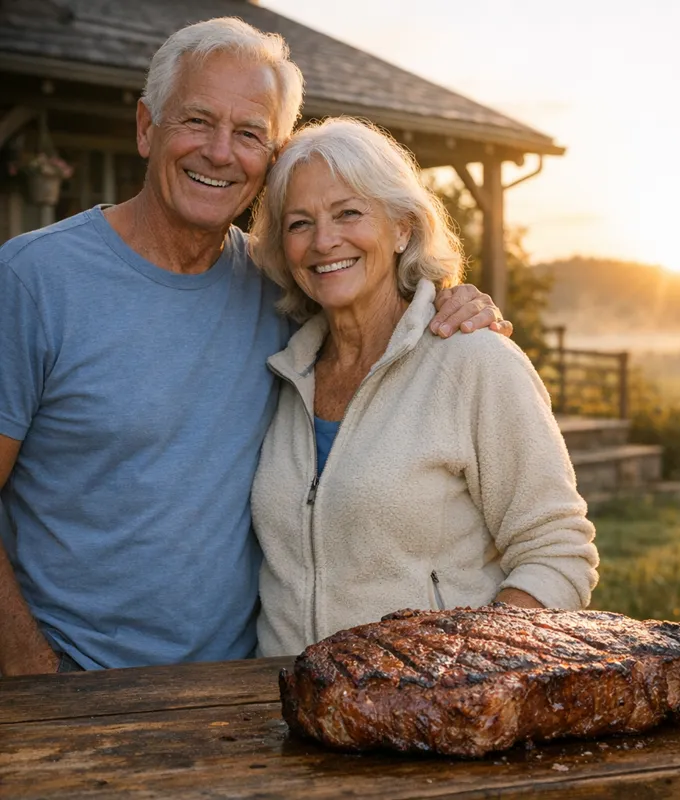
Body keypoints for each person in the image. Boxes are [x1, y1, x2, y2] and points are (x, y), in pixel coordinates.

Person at [0, 18, 510, 676]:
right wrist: (31, 675)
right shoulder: (32, 281)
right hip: (68, 688)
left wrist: (450, 301)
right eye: (197, 121)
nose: (219, 152)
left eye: (249, 134)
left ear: (271, 161)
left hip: (244, 694)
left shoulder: (280, 289)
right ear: (145, 127)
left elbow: (371, 294)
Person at [248, 118, 599, 657]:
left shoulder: (475, 359)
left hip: (425, 717)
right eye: (300, 223)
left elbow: (557, 554)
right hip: (285, 713)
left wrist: (468, 672)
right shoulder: (280, 369)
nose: (324, 241)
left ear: (403, 228)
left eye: (349, 213)